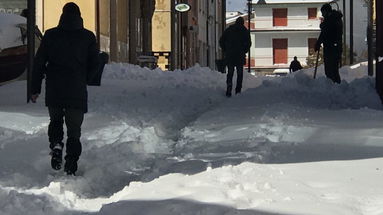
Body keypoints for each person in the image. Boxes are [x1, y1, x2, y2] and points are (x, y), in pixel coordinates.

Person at [31, 2, 99, 175]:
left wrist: (35, 88)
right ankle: (71, 161)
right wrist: (89, 74)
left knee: (55, 121)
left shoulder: (50, 35)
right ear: (79, 17)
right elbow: (94, 66)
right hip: (76, 89)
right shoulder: (88, 37)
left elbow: (39, 63)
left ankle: (56, 145)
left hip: (54, 88)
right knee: (74, 130)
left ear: (62, 15)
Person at [219, 17, 251, 97]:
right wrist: (244, 50)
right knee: (239, 73)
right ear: (242, 23)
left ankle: (229, 89)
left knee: (230, 73)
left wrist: (225, 49)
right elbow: (249, 43)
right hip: (240, 55)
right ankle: (238, 90)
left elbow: (221, 40)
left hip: (230, 55)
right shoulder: (244, 31)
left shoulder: (229, 30)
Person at [315, 3, 343, 84]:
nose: (322, 15)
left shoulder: (333, 19)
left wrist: (318, 43)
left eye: (323, 12)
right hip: (333, 47)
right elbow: (324, 32)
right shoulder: (333, 18)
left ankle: (335, 87)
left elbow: (326, 32)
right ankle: (335, 87)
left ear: (327, 11)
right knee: (332, 70)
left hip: (332, 48)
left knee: (331, 70)